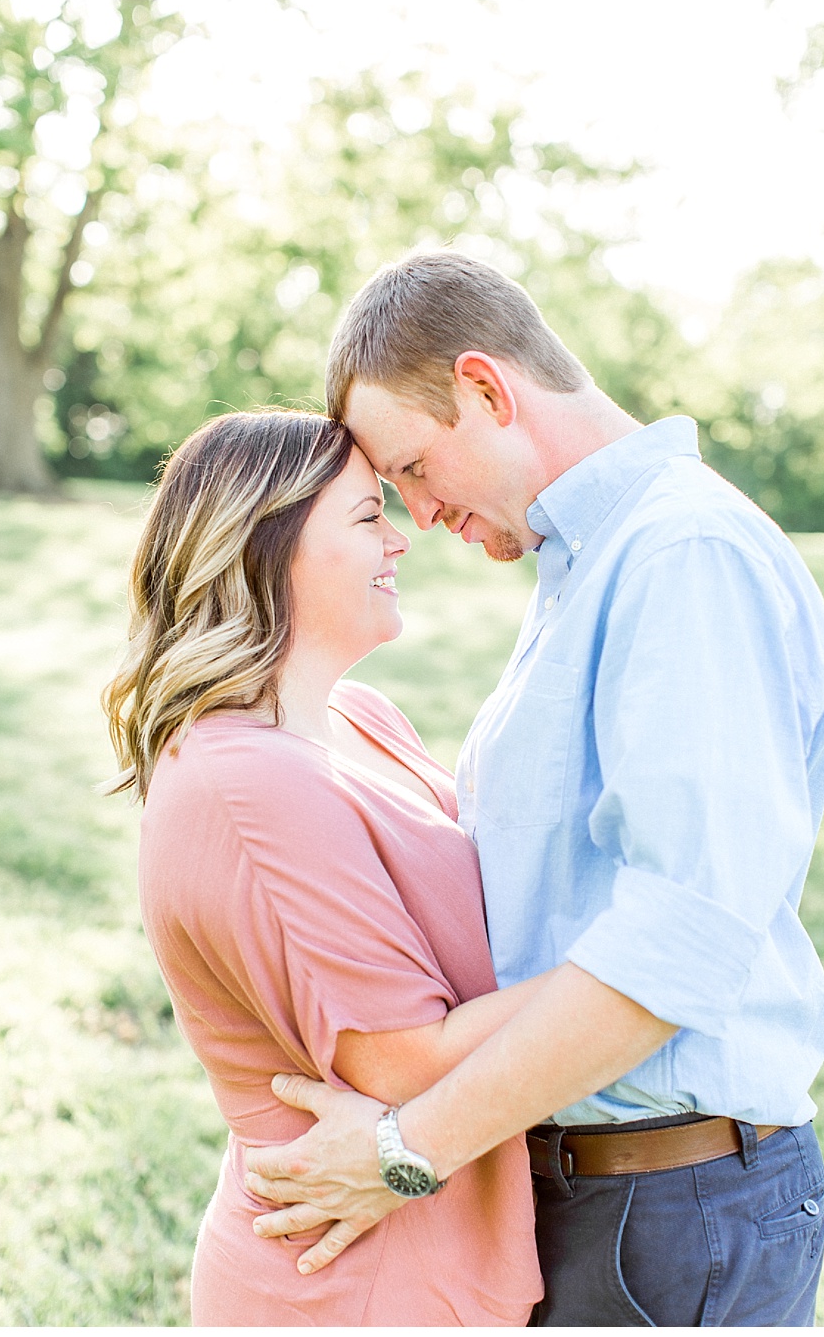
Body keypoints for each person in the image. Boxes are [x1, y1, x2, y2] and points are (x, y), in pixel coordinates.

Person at [243, 251, 824, 1326]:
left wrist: (403, 1153)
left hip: (669, 1209)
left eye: (416, 468)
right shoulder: (589, 564)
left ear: (486, 388)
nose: (417, 516)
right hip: (605, 1196)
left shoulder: (681, 557)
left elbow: (684, 934)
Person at [103, 410, 548, 1324]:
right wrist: (644, 965)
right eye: (363, 516)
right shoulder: (244, 782)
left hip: (439, 1251)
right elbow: (404, 1065)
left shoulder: (362, 720)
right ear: (268, 550)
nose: (401, 536)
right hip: (350, 1286)